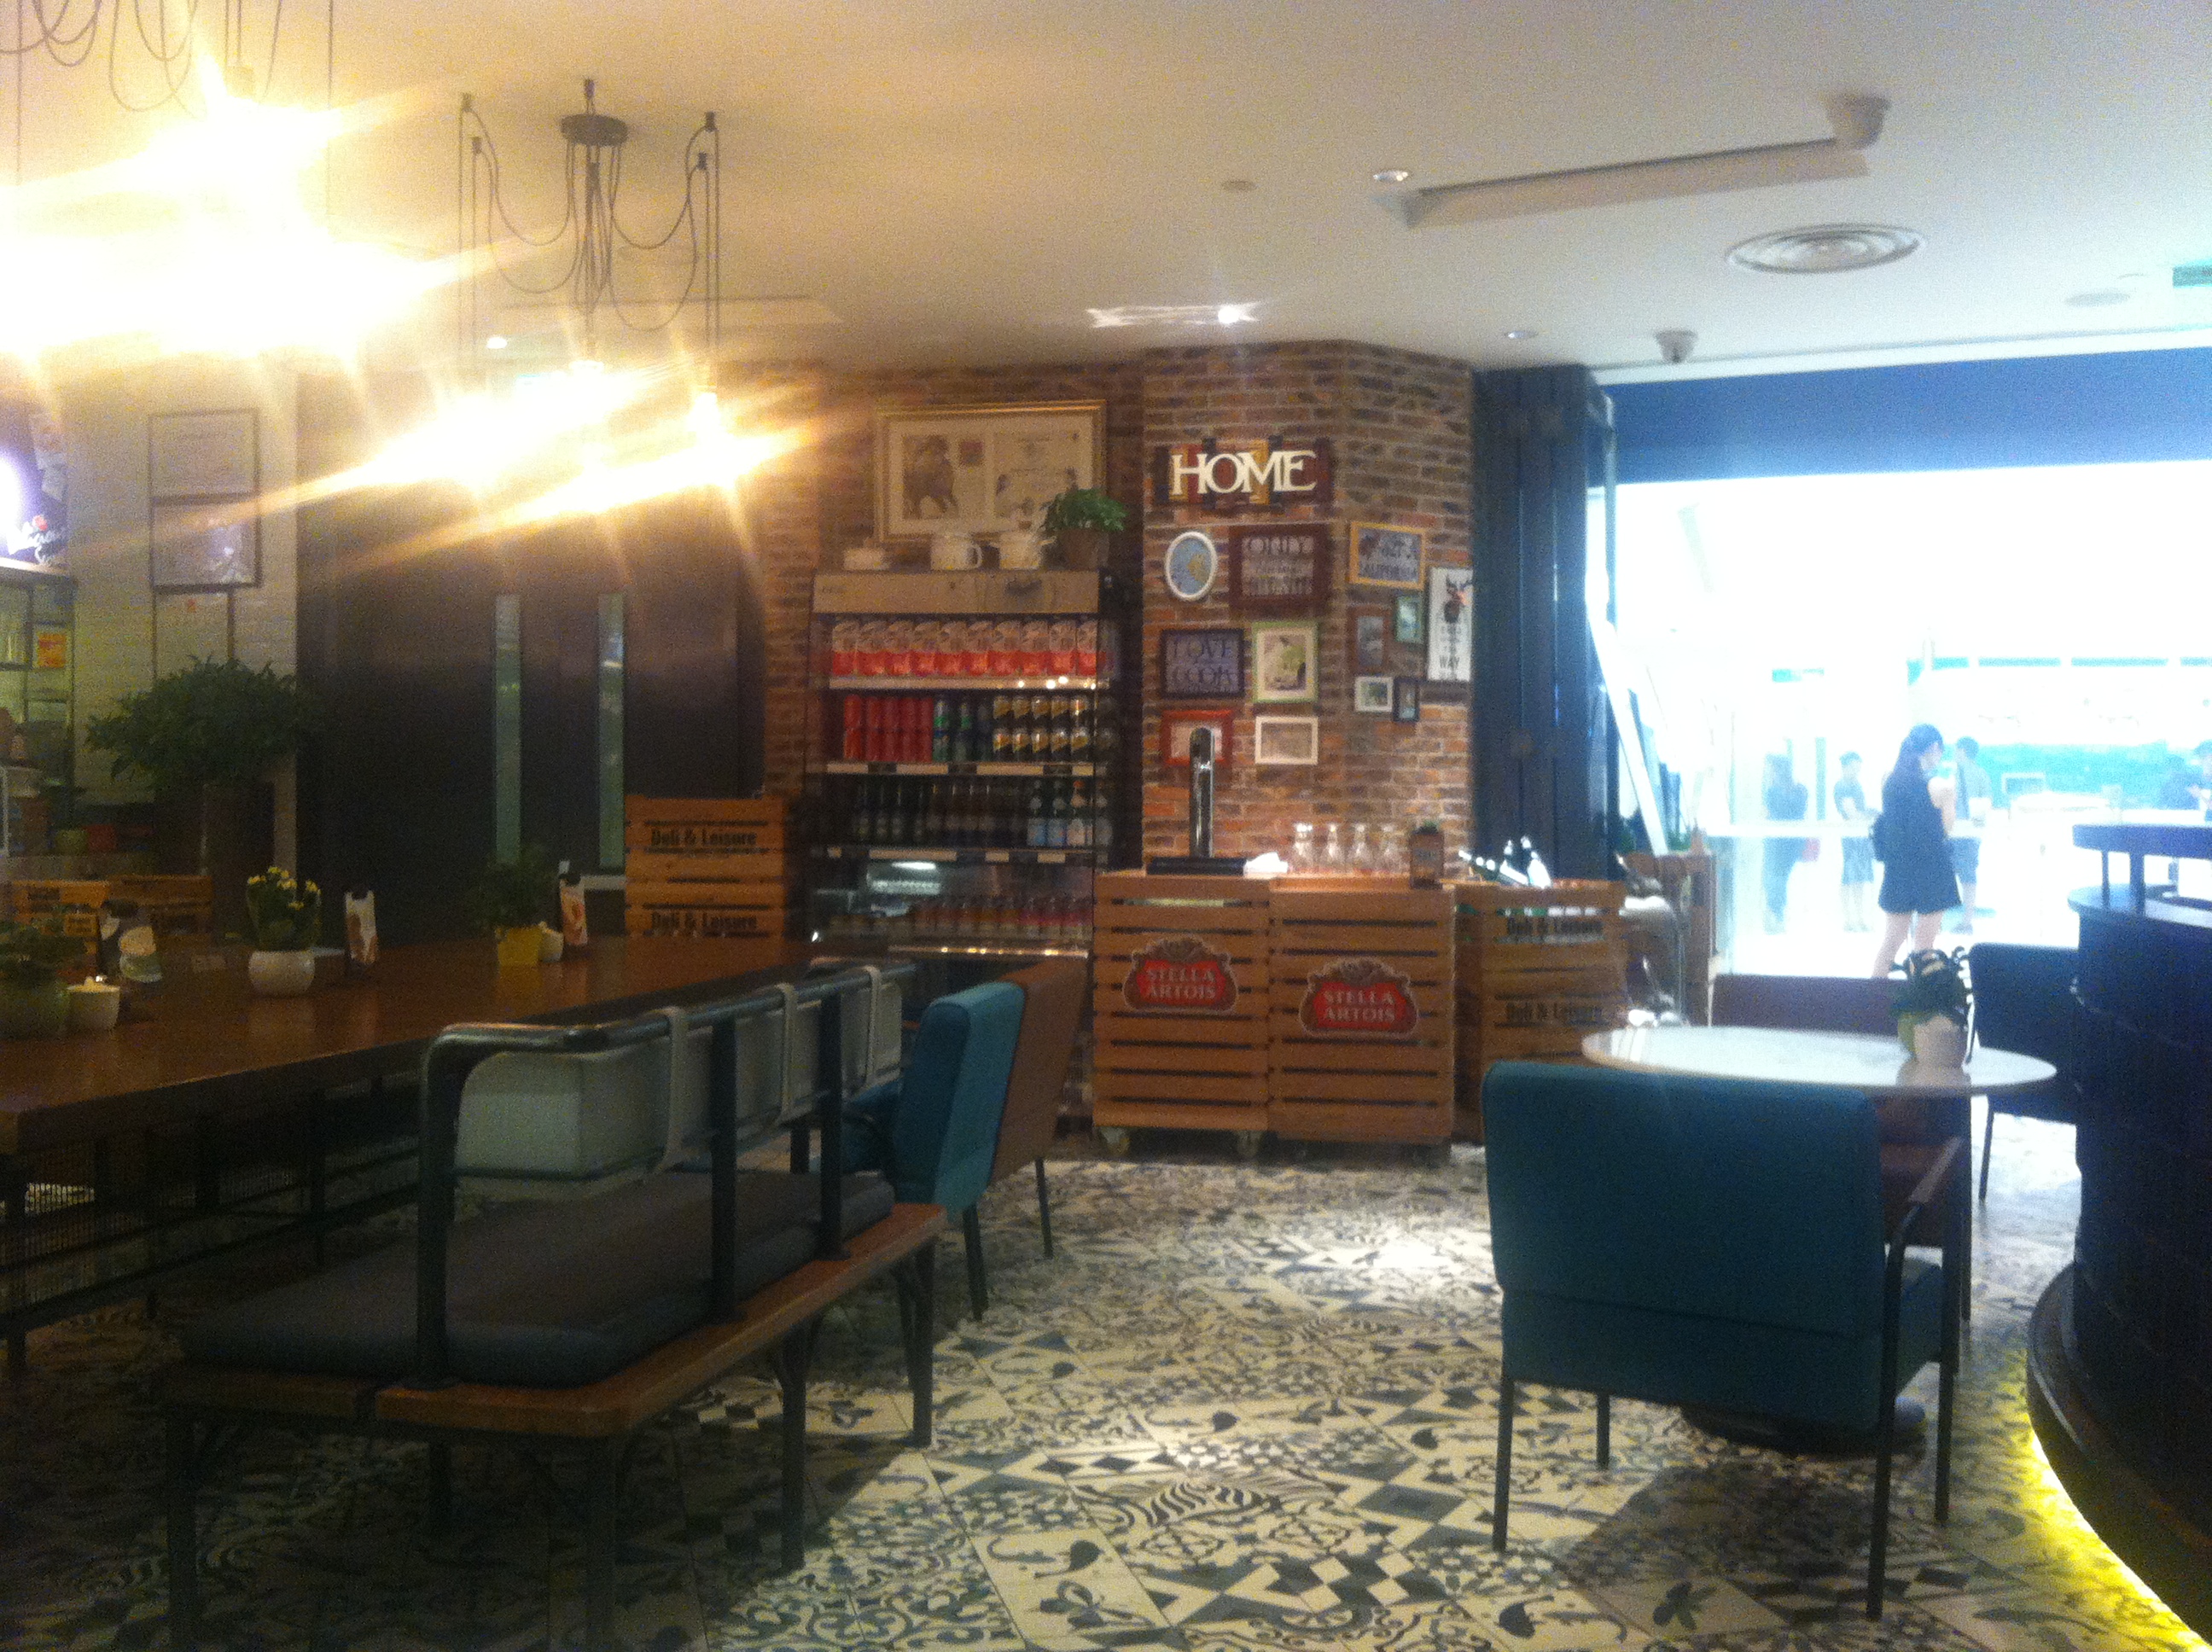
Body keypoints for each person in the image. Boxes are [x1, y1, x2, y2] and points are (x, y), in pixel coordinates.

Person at [1872, 724, 1959, 976]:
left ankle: (1871, 994)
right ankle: (1920, 999)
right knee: (1924, 945)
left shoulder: (1888, 781)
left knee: (1891, 941)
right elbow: (1947, 828)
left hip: (1898, 869)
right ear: (1934, 747)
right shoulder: (1941, 787)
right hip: (1932, 870)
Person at [1947, 736, 1994, 934]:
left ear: (1962, 751)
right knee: (1963, 875)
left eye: (1956, 750)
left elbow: (1985, 802)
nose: (1954, 753)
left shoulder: (1965, 774)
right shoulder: (1971, 774)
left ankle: (1964, 921)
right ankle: (1964, 920)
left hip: (1962, 832)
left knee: (1962, 875)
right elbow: (1987, 801)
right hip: (1963, 832)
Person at [1761, 753, 1809, 934]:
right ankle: (1778, 916)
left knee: (1774, 879)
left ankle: (1776, 916)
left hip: (1777, 843)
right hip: (1793, 843)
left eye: (1770, 768)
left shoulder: (1773, 792)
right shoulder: (1800, 790)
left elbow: (1768, 814)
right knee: (1780, 879)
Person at [1833, 751, 1872, 932]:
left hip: (1859, 836)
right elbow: (1851, 813)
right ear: (1845, 767)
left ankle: (1858, 918)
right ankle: (1849, 919)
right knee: (1850, 877)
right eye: (1854, 768)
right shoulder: (1842, 786)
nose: (1857, 772)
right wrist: (1868, 816)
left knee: (1858, 878)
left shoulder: (1855, 785)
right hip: (1851, 836)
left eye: (1859, 768)